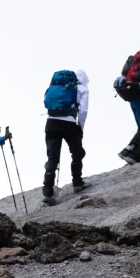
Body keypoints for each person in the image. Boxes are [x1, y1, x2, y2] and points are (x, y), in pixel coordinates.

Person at [43, 70, 90, 204]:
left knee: (52, 157)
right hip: (69, 123)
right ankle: (77, 183)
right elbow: (83, 110)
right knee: (77, 153)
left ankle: (48, 192)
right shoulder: (82, 89)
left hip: (51, 122)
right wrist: (80, 127)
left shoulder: (57, 86)